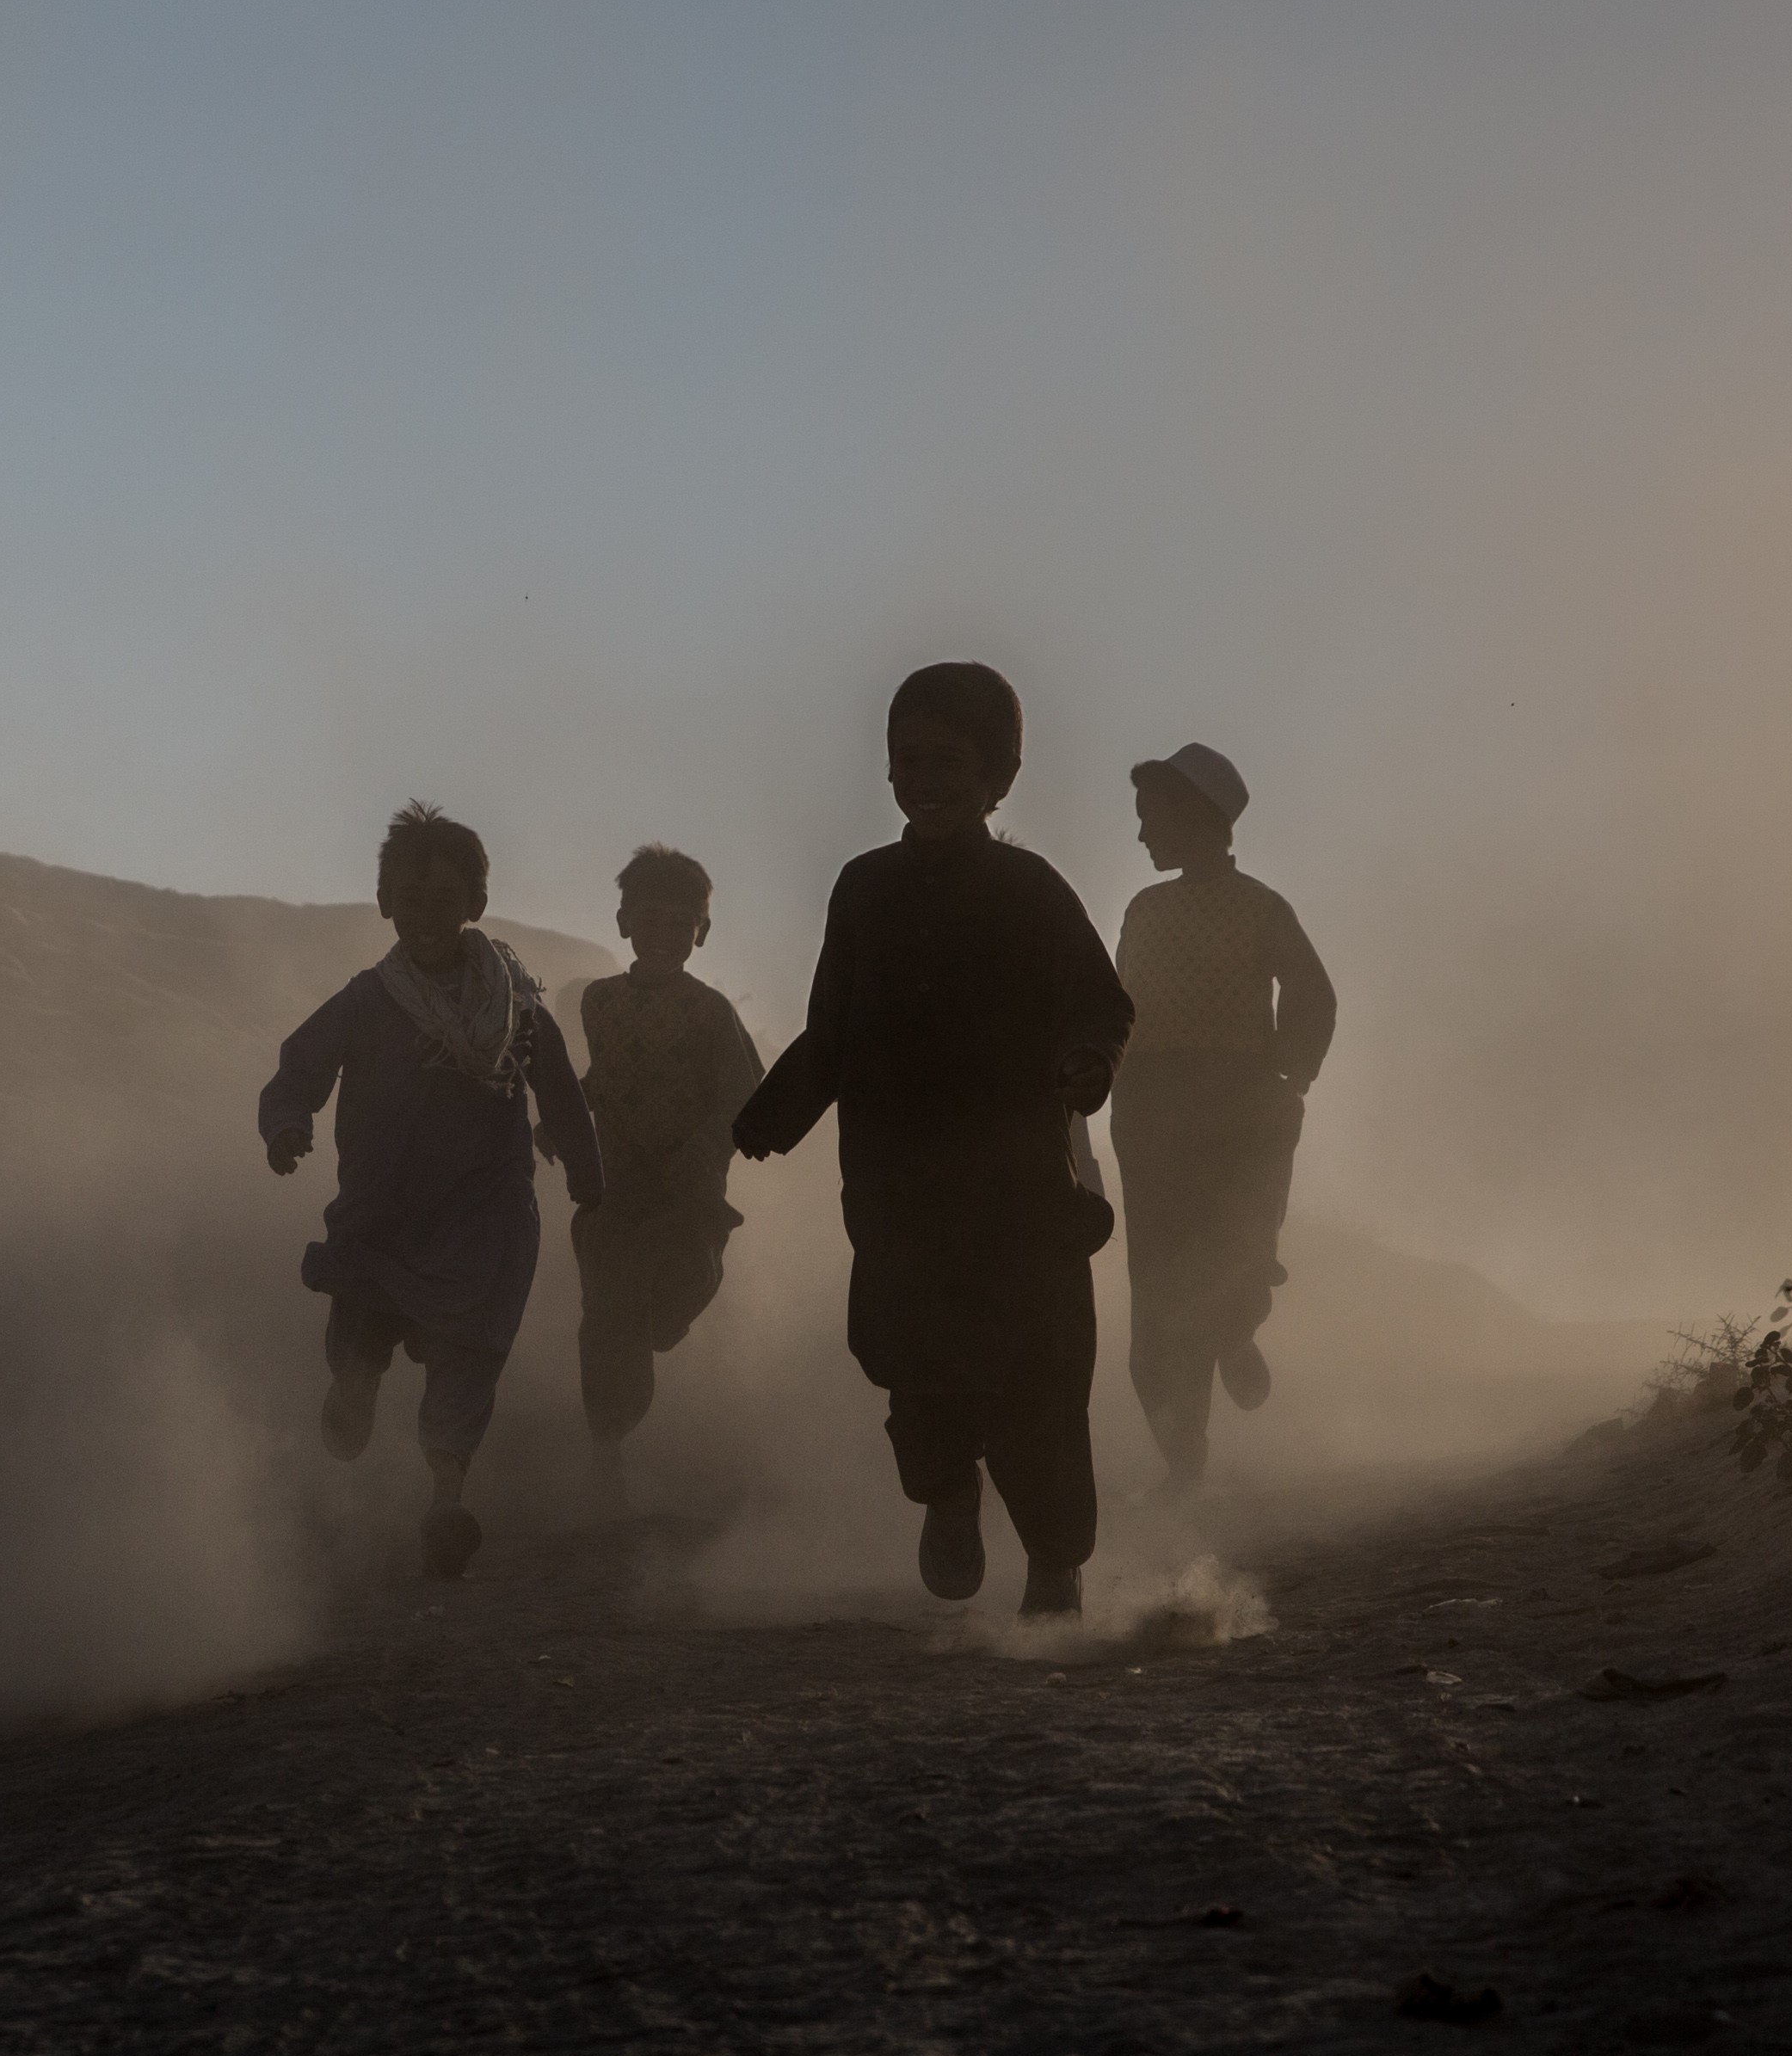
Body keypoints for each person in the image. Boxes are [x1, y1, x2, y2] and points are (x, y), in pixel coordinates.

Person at [734, 663, 1134, 1615]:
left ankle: (1055, 1563)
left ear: (1000, 776)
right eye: (907, 760)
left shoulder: (1032, 891)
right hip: (899, 1191)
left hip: (1020, 1193)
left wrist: (1088, 1061)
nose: (926, 779)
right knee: (918, 1371)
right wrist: (769, 1115)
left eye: (949, 760)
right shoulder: (862, 890)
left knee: (1039, 1383)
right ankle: (949, 1498)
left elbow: (1098, 1001)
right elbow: (831, 1028)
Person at [261, 803, 605, 1579]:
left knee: (468, 1354)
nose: (421, 915)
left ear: (474, 906)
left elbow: (560, 1096)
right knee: (361, 1328)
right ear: (383, 902)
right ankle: (354, 1387)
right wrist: (285, 1124)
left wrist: (587, 1175)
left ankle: (447, 1498)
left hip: (484, 1219)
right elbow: (300, 1068)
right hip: (383, 1214)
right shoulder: (366, 1000)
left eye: (441, 901)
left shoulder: (514, 1007)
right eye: (406, 899)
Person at [1108, 742, 1335, 1489]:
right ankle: (1183, 1457)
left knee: (1235, 1264)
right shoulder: (1143, 911)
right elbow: (1113, 1014)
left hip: (1238, 1111)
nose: (1142, 834)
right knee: (1159, 1296)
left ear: (1198, 816)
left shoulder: (1261, 908)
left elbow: (1310, 990)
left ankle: (1237, 1332)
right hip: (1149, 1115)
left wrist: (1291, 1072)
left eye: (1152, 817)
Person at [570, 844, 765, 1493]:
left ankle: (660, 1327)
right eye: (648, 921)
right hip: (616, 1192)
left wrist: (709, 1148)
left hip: (689, 1198)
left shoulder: (711, 1013)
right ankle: (607, 1447)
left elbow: (744, 1093)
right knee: (608, 1313)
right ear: (623, 922)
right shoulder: (597, 1004)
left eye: (679, 924)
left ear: (701, 933)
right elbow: (605, 1076)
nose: (662, 937)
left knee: (681, 1288)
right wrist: (565, 1118)